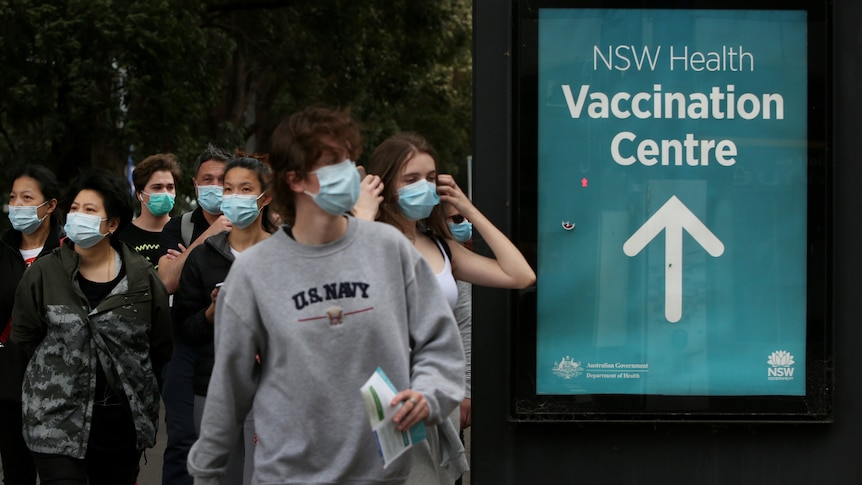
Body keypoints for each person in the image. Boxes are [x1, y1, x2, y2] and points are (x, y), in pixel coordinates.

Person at [187, 106, 465, 484]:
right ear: (295, 179)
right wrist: (205, 473)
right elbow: (229, 387)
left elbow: (438, 342)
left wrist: (429, 394)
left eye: (349, 159)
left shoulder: (390, 249)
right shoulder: (255, 272)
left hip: (386, 473)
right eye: (333, 162)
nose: (349, 172)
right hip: (290, 475)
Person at [363, 133, 536, 483]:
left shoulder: (442, 248)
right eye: (411, 179)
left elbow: (520, 275)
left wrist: (469, 209)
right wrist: (363, 217)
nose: (423, 187)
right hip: (384, 394)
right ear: (383, 185)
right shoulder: (365, 239)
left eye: (430, 178)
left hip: (438, 394)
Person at [10, 170, 172, 485]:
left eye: (89, 210)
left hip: (121, 426)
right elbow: (24, 337)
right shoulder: (44, 274)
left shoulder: (142, 279)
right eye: (74, 209)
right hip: (56, 424)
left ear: (112, 224)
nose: (77, 216)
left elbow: (159, 346)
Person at [172, 157, 275, 485]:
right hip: (215, 388)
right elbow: (184, 327)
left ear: (266, 197)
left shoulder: (285, 254)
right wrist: (210, 315)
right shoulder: (204, 256)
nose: (234, 197)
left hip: (273, 390)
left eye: (245, 189)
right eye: (228, 189)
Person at [157, 143, 233, 485]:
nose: (215, 187)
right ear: (194, 183)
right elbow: (168, 281)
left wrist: (185, 256)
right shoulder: (179, 227)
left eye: (223, 180)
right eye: (208, 179)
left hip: (232, 345)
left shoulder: (250, 223)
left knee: (234, 442)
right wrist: (210, 234)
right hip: (185, 343)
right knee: (183, 440)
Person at [0, 165, 62, 485]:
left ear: (50, 205)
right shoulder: (3, 250)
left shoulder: (70, 251)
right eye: (14, 198)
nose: (18, 205)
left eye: (28, 197)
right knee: (16, 474)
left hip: (59, 387)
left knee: (61, 474)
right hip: (8, 385)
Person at [117, 152, 182, 268]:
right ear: (139, 194)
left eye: (170, 187)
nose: (165, 193)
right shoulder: (122, 236)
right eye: (157, 187)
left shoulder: (184, 232)